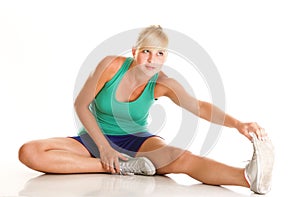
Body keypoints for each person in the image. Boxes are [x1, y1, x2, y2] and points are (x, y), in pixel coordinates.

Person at [18, 25, 274, 194]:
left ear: (165, 57)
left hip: (137, 142)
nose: (152, 59)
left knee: (180, 157)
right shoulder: (110, 66)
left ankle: (247, 178)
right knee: (30, 151)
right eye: (146, 52)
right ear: (134, 52)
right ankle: (120, 166)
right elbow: (80, 105)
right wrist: (105, 150)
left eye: (160, 53)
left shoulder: (163, 83)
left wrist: (239, 124)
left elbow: (199, 107)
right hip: (93, 139)